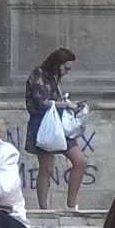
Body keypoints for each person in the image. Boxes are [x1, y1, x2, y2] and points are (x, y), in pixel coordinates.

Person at [23, 48, 89, 211]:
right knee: (46, 168)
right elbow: (42, 103)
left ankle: (71, 204)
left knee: (80, 161)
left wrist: (68, 104)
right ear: (58, 63)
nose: (67, 72)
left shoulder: (54, 77)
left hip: (58, 123)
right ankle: (44, 209)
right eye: (66, 68)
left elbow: (52, 101)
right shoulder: (38, 75)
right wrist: (66, 104)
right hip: (43, 125)